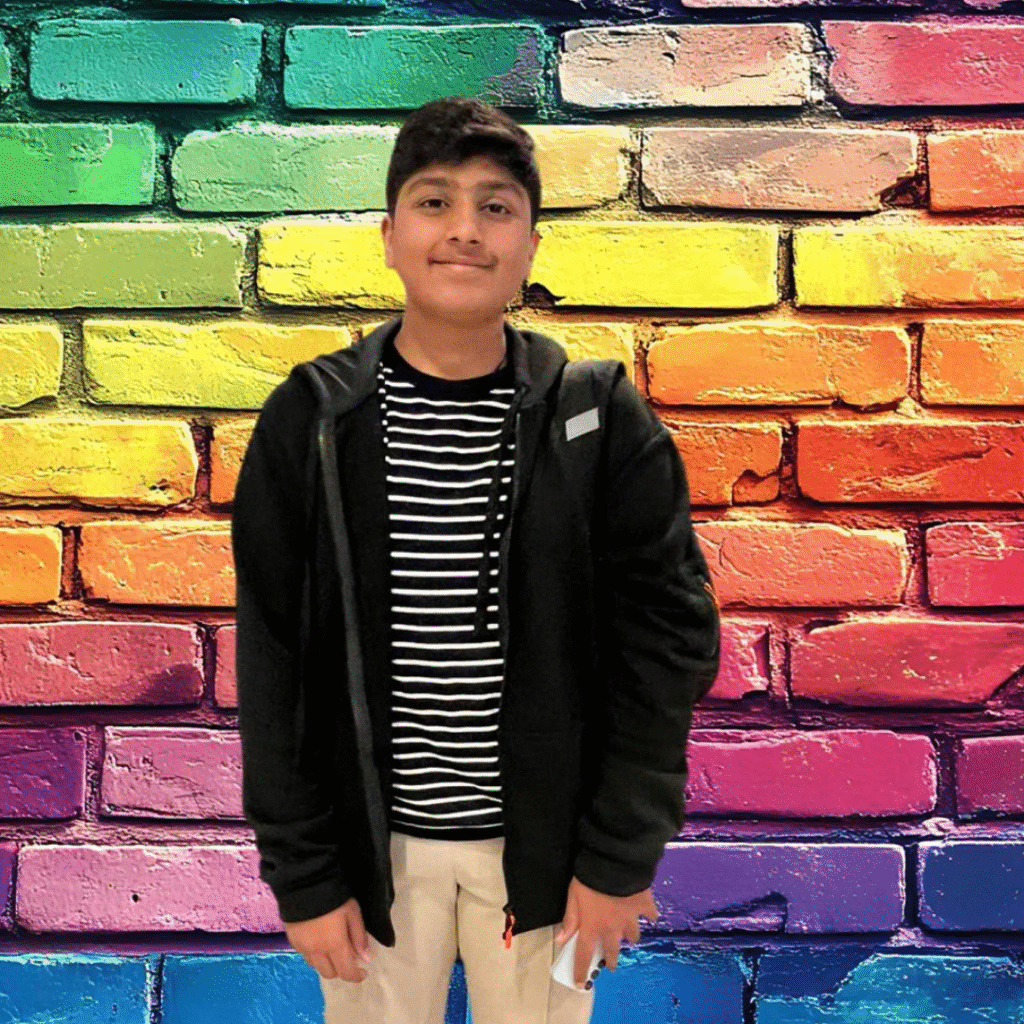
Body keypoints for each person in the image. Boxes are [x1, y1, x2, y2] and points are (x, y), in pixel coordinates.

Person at [231, 95, 721, 1024]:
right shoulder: (314, 420)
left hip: (548, 861)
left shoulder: (598, 419)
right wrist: (305, 875)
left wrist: (617, 861)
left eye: (495, 207)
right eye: (434, 202)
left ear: (531, 244)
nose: (464, 230)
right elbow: (274, 659)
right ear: (389, 235)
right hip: (373, 864)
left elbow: (666, 652)